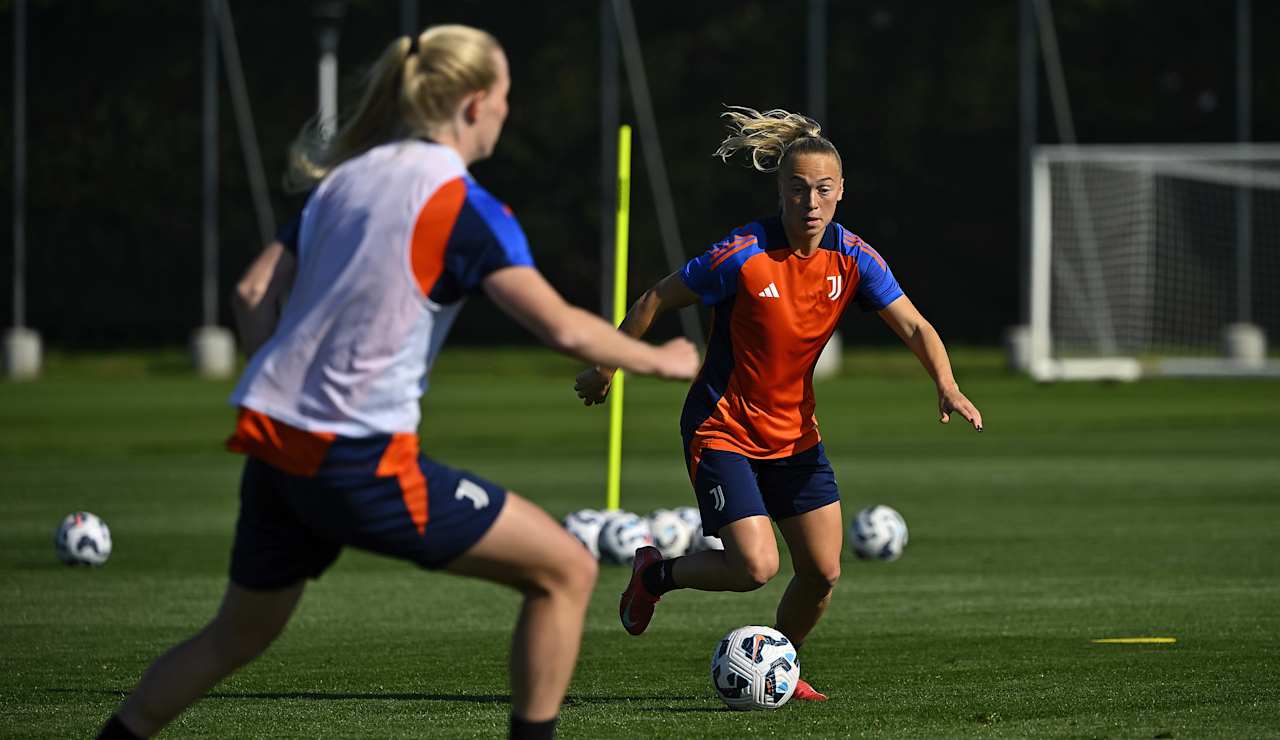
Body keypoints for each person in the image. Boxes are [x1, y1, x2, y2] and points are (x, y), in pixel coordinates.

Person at [97, 25, 698, 740]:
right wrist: (664, 362)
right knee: (565, 572)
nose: (509, 109)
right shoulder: (464, 206)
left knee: (235, 637)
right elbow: (563, 328)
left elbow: (253, 292)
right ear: (475, 104)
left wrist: (282, 382)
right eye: (506, 94)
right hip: (356, 459)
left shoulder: (345, 179)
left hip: (277, 446)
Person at [574, 106, 983, 702]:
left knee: (822, 572)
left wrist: (945, 382)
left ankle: (777, 669)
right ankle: (655, 574)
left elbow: (916, 326)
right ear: (781, 192)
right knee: (754, 568)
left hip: (795, 436)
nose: (810, 203)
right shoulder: (741, 254)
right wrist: (606, 365)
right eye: (797, 190)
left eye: (822, 189)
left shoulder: (855, 258)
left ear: (841, 192)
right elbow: (656, 298)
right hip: (723, 427)